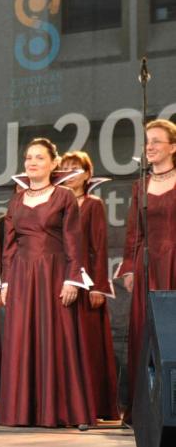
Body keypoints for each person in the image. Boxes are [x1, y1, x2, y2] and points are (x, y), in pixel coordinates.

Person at [0, 138, 92, 427]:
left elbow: (74, 242)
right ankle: (22, 411)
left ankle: (61, 410)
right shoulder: (16, 200)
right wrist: (6, 283)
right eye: (28, 158)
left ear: (53, 164)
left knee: (56, 338)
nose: (32, 162)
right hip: (22, 276)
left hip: (54, 274)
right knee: (22, 339)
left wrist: (72, 280)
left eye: (39, 158)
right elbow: (9, 247)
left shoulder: (64, 197)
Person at [117, 118, 176, 420]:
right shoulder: (141, 184)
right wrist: (129, 267)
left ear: (173, 147)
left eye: (156, 141)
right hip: (147, 265)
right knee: (145, 330)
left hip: (174, 260)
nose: (149, 146)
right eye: (147, 141)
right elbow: (133, 232)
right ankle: (145, 408)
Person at [60, 151, 119, 422]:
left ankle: (90, 404)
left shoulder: (92, 204)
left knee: (86, 345)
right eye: (65, 168)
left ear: (87, 174)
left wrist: (97, 286)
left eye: (76, 168)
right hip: (58, 280)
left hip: (84, 285)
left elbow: (98, 246)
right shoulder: (56, 201)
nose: (70, 173)